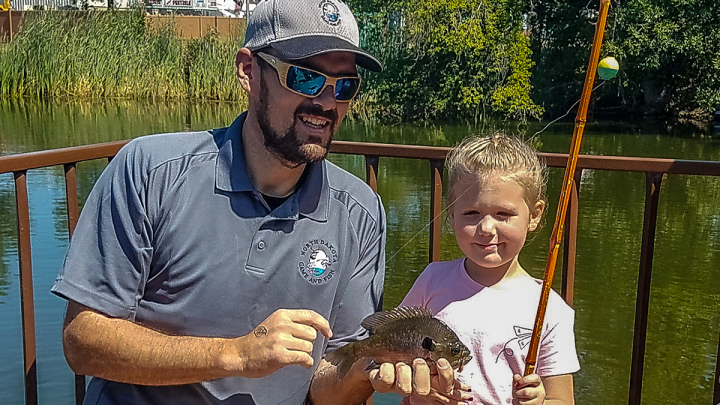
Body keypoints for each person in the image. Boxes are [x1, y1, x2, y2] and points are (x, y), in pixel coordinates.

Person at [50, 0, 466, 404]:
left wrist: (365, 373)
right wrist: (236, 355)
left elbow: (328, 382)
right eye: (304, 78)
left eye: (344, 86)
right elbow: (83, 340)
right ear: (248, 71)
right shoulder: (150, 171)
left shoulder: (361, 211)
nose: (325, 102)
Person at [400, 133, 580, 405]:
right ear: (451, 214)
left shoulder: (551, 309)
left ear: (536, 214)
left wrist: (540, 401)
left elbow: (563, 400)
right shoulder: (432, 279)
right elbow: (393, 347)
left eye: (503, 214)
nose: (486, 228)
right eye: (471, 213)